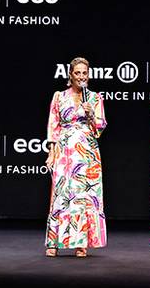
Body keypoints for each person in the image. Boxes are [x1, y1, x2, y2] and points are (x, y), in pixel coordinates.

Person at [44, 57, 106, 258]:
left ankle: (81, 243)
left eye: (84, 73)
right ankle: (54, 241)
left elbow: (100, 127)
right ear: (71, 75)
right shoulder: (59, 96)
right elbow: (53, 125)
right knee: (61, 193)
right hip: (65, 150)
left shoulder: (95, 98)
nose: (81, 77)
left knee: (83, 196)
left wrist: (90, 115)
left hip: (87, 151)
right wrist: (51, 152)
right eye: (77, 73)